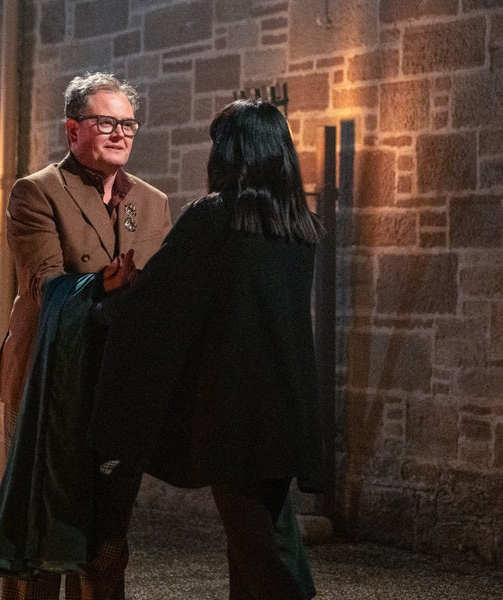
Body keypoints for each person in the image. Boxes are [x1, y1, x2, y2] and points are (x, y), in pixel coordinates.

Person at [89, 98, 324, 600]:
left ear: (233, 153)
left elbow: (162, 302)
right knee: (259, 542)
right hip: (287, 407)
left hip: (236, 412)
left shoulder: (215, 218)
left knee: (258, 551)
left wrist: (107, 306)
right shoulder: (297, 226)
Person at [0, 72, 171, 600]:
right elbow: (43, 283)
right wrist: (101, 285)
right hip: (46, 377)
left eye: (127, 124)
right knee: (40, 528)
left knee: (107, 535)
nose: (120, 133)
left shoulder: (152, 201)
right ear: (72, 130)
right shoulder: (36, 192)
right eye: (105, 122)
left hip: (114, 383)